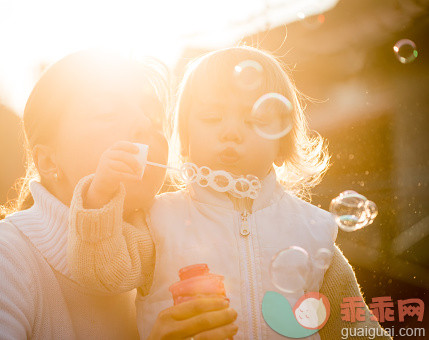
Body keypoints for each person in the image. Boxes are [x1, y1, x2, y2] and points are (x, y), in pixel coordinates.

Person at [68, 46, 391, 339]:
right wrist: (99, 196)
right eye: (212, 117)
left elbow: (358, 330)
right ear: (185, 137)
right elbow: (100, 275)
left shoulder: (311, 231)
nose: (231, 132)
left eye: (255, 120)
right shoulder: (158, 222)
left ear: (283, 143)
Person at [0, 50, 237, 339]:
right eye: (106, 113)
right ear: (48, 160)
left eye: (153, 116)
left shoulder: (167, 262)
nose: (143, 123)